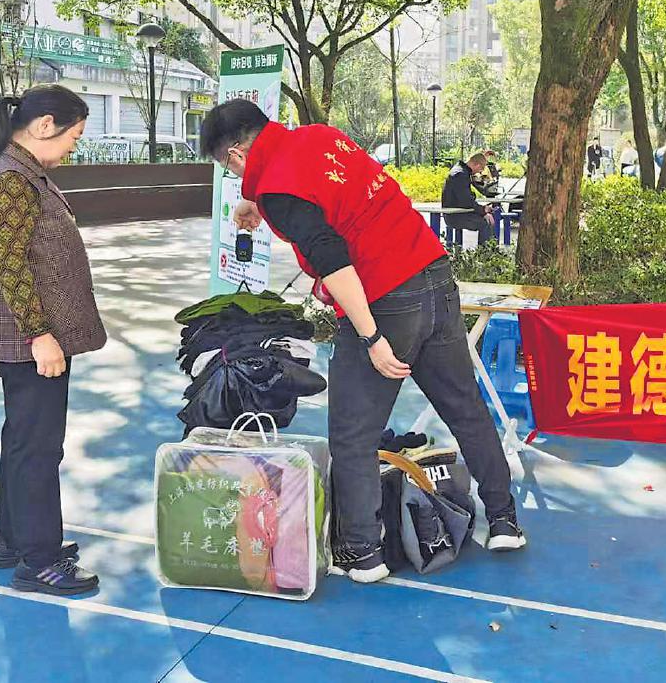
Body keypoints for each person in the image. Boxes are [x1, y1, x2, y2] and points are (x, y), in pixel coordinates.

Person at [199, 100, 525, 584]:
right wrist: (258, 202)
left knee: (354, 433)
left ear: (235, 153)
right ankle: (503, 520)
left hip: (385, 299)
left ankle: (362, 551)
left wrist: (371, 335)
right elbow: (328, 196)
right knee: (465, 408)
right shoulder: (319, 137)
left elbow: (332, 258)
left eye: (228, 167)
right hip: (435, 276)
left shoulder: (278, 190)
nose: (234, 174)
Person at [0, 85, 105, 597]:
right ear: (45, 125)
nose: (73, 147)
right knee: (39, 448)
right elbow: (11, 265)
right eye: (74, 136)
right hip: (30, 341)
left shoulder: (21, 172)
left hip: (29, 337)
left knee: (23, 441)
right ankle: (39, 561)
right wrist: (40, 335)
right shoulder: (10, 178)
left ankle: (13, 541)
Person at [442, 153, 497, 244]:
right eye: (481, 169)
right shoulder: (460, 174)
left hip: (458, 212)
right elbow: (466, 201)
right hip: (455, 215)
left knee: (488, 218)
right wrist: (483, 210)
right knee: (486, 223)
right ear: (477, 165)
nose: (480, 172)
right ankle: (486, 251)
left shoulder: (461, 170)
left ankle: (489, 249)